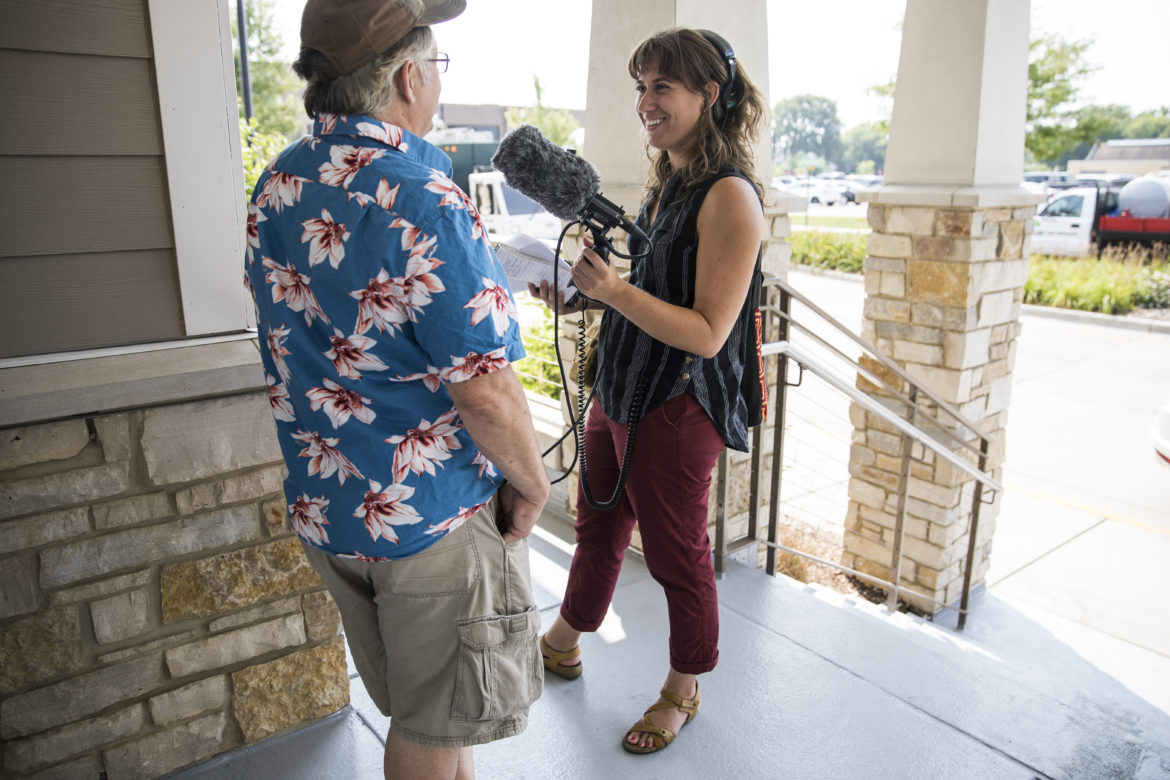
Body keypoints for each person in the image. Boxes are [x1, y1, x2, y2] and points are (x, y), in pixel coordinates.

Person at [245, 1, 550, 777]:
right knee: (428, 725)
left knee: (435, 717)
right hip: (428, 523)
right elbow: (485, 391)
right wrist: (533, 481)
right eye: (437, 66)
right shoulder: (422, 197)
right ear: (408, 76)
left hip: (332, 510)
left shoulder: (277, 185)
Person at [528, 27, 768, 754]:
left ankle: (683, 688)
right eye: (641, 86)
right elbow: (654, 292)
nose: (646, 102)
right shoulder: (672, 182)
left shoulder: (730, 196)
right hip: (621, 389)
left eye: (663, 86)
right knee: (597, 525)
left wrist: (614, 290)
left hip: (677, 406)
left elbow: (705, 331)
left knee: (675, 556)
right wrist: (586, 300)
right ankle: (565, 639)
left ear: (710, 96)